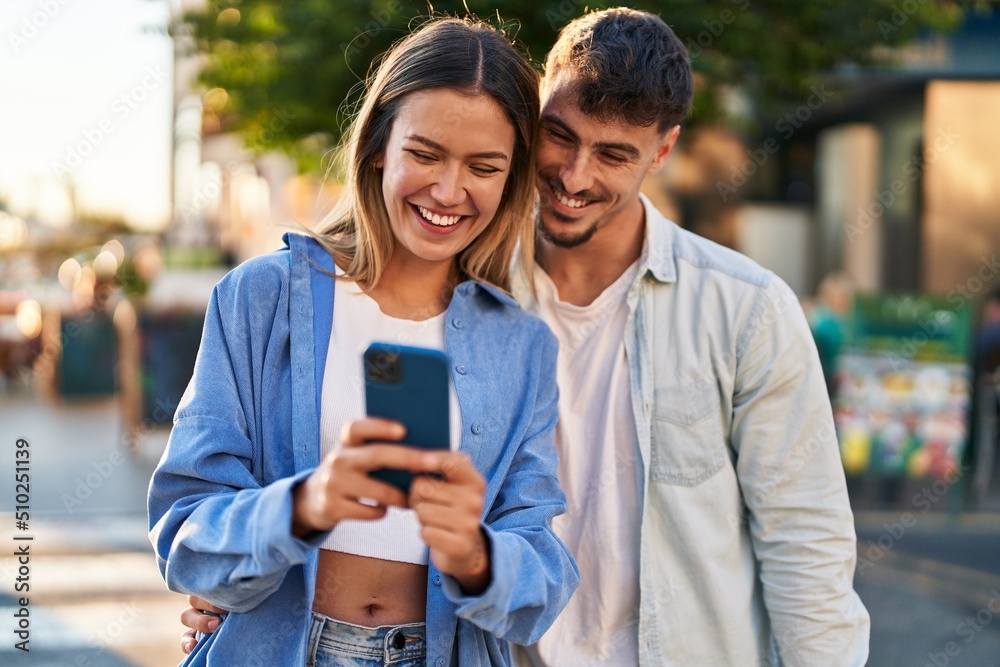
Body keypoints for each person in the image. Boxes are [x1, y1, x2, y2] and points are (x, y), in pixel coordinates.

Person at [183, 8, 871, 666]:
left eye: (614, 154)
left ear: (663, 150)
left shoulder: (739, 310)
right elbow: (201, 511)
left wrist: (473, 552)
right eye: (562, 138)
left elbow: (804, 544)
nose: (575, 177)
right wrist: (256, 562)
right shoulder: (443, 281)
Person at [149, 17, 578, 667]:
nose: (448, 191)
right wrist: (304, 504)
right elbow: (186, 531)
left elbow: (542, 578)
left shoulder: (522, 346)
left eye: (483, 166)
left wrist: (474, 552)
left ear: (512, 176)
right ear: (380, 144)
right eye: (425, 153)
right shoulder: (260, 299)